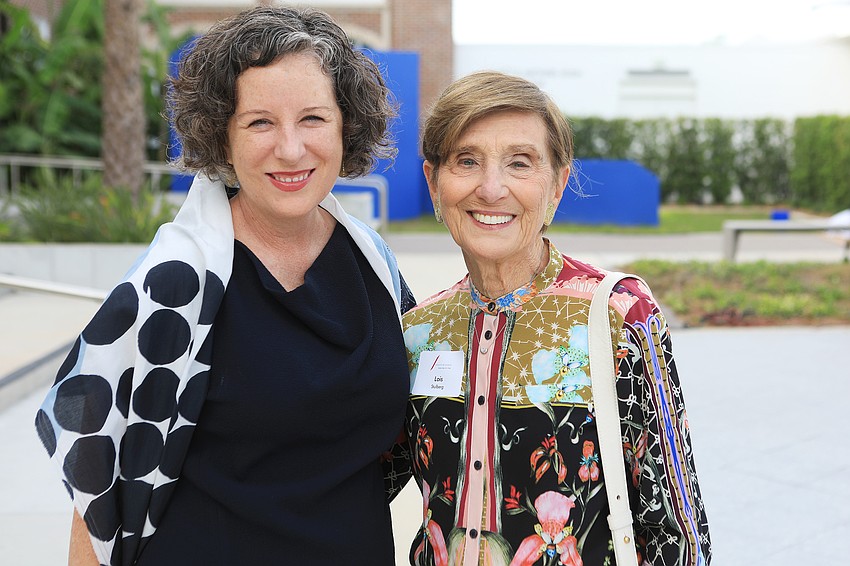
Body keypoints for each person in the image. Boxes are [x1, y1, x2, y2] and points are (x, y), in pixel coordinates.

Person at [35, 6, 414, 565]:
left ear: (346, 126)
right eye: (260, 122)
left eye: (312, 118)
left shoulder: (373, 263)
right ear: (222, 135)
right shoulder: (175, 283)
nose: (289, 148)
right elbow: (97, 479)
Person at [394, 71, 711, 565]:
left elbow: (676, 532)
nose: (491, 188)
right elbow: (353, 485)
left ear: (558, 184)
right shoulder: (416, 330)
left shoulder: (617, 316)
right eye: (466, 161)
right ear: (434, 183)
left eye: (520, 163)